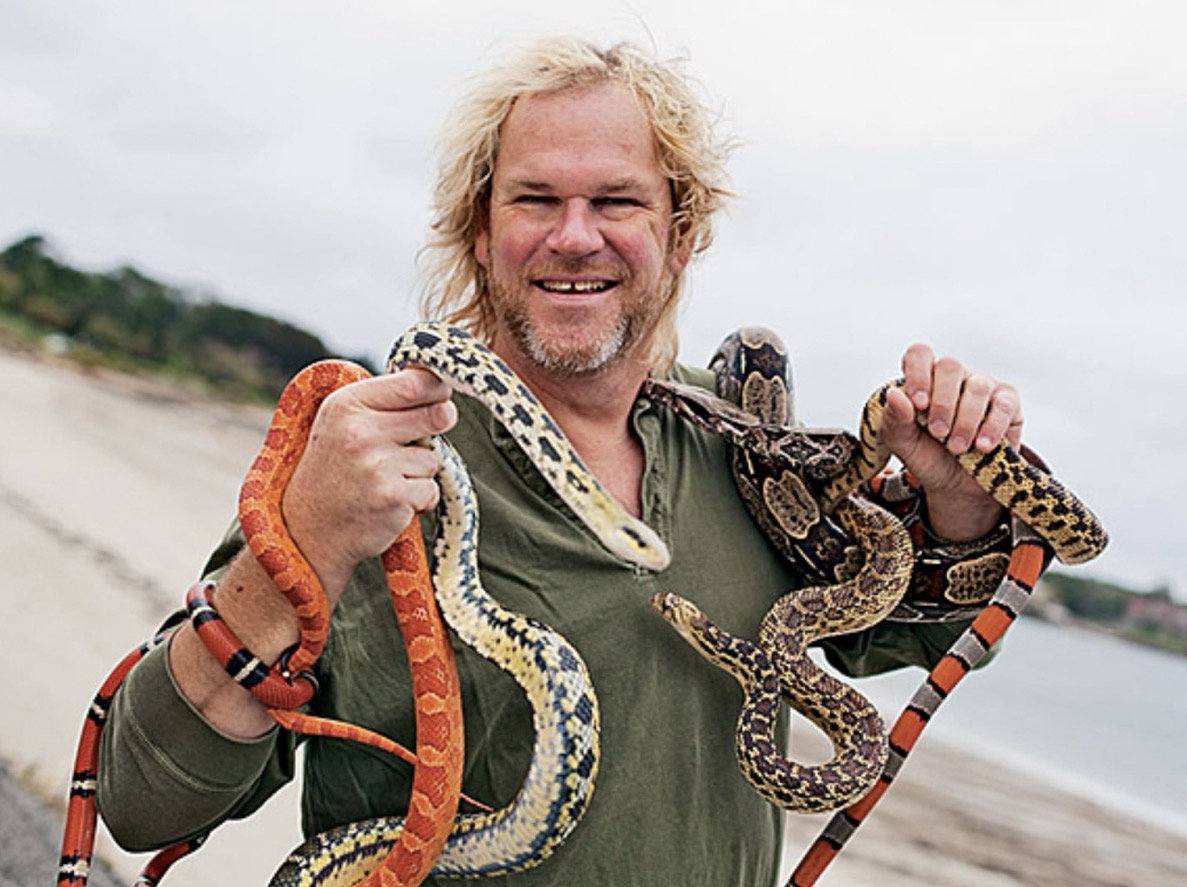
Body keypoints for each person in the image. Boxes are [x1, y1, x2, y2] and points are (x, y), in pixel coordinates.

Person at [97, 37, 1025, 885]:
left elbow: (883, 632)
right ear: (479, 231)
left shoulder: (741, 440)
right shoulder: (372, 459)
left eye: (617, 200)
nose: (575, 235)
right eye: (535, 199)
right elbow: (143, 803)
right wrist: (297, 545)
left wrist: (959, 506)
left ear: (681, 234)